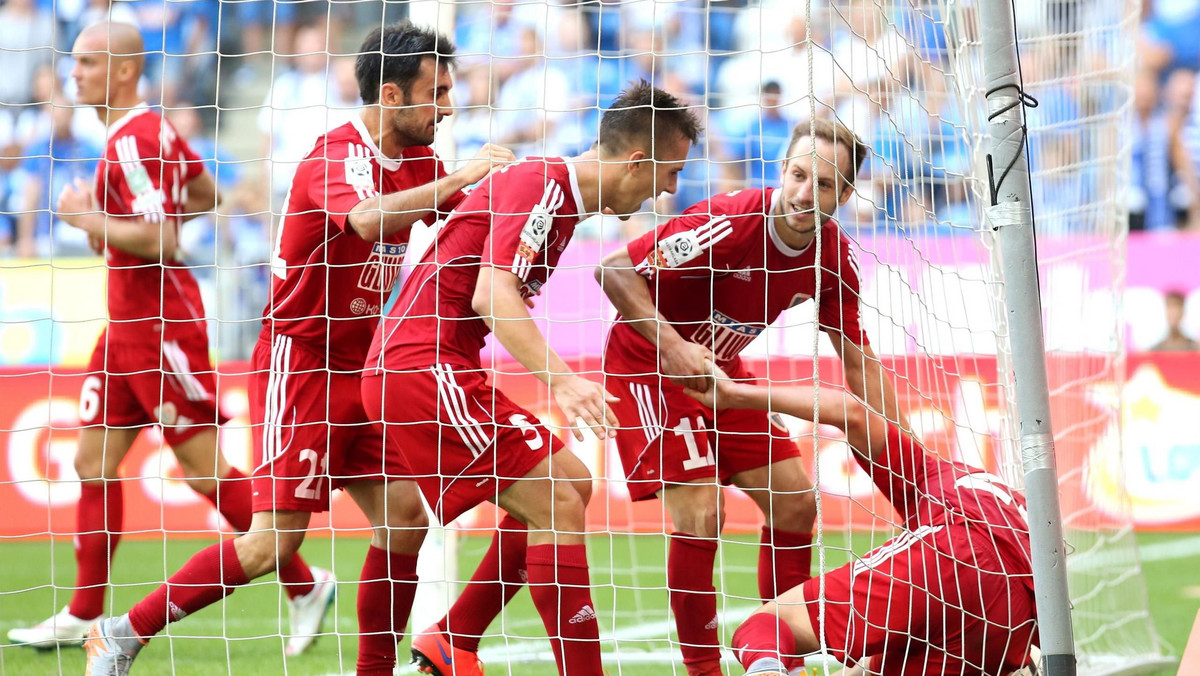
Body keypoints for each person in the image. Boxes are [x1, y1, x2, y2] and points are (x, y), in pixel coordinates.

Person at [80, 22, 515, 676]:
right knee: (272, 542)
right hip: (300, 362)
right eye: (438, 93)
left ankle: (374, 669)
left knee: (403, 516)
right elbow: (368, 218)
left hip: (363, 366)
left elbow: (464, 212)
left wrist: (536, 185)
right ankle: (123, 632)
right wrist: (466, 175)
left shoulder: (420, 160)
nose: (449, 107)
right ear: (392, 96)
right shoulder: (337, 156)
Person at [5, 21, 328, 653]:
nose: (75, 74)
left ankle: (304, 583)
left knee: (204, 472)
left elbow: (163, 238)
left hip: (160, 330)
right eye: (74, 64)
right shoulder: (146, 134)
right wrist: (112, 216)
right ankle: (80, 612)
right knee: (90, 462)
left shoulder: (135, 139)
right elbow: (204, 193)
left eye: (88, 63)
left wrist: (86, 217)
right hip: (124, 327)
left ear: (125, 70)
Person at [363, 80, 700, 676]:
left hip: (435, 364)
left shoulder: (560, 202)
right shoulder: (543, 184)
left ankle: (453, 639)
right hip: (420, 366)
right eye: (670, 171)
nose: (671, 188)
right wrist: (564, 382)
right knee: (559, 505)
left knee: (574, 482)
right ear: (637, 161)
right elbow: (490, 294)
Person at [592, 118, 902, 675]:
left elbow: (858, 359)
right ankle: (704, 670)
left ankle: (777, 653)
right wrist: (675, 348)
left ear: (847, 195)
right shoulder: (728, 222)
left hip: (721, 376)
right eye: (799, 175)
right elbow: (613, 269)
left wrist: (907, 465)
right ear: (783, 169)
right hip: (648, 364)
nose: (805, 194)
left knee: (796, 501)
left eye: (826, 185)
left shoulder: (833, 259)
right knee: (701, 511)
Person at [684, 368, 1038, 676]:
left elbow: (851, 412)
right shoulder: (992, 492)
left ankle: (768, 670)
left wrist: (733, 394)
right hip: (1017, 616)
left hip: (956, 549)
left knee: (767, 624)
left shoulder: (925, 471)